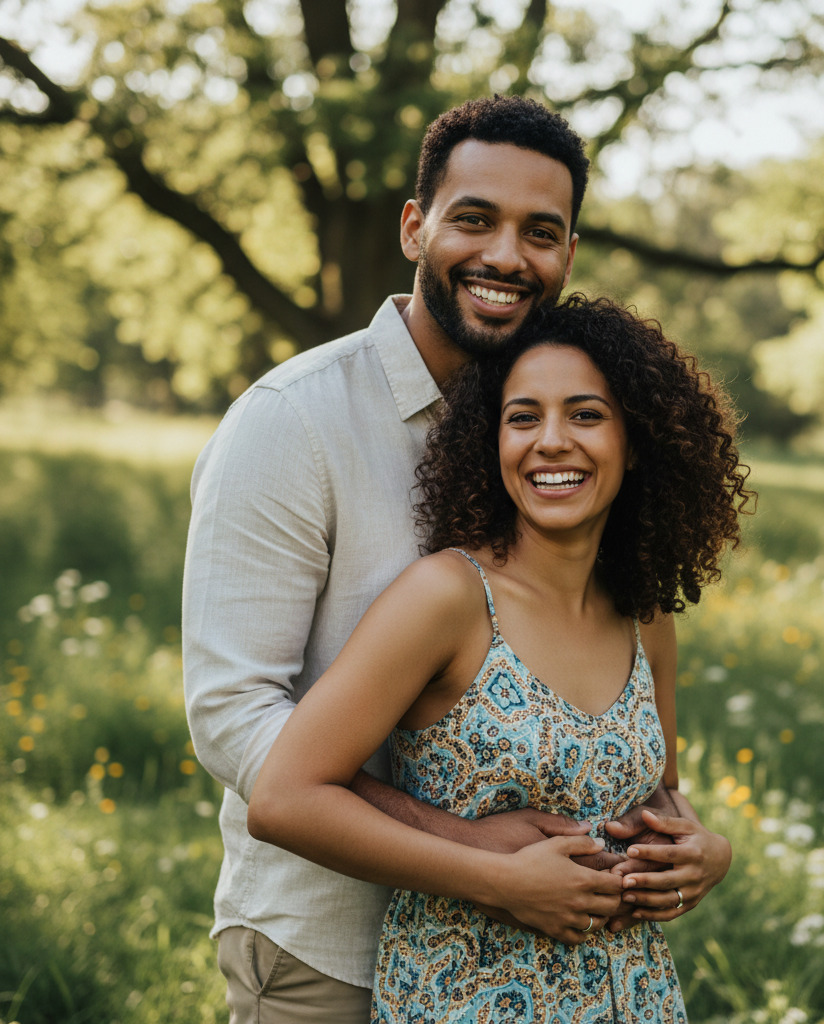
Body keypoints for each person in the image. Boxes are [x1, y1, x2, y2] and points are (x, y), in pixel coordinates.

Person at [183, 96, 731, 1024]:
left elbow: (630, 768)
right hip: (327, 945)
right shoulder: (293, 423)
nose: (507, 257)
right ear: (414, 227)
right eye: (474, 218)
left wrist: (695, 846)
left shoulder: (537, 426)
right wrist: (473, 854)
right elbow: (234, 717)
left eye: (541, 232)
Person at [247, 294, 753, 1022]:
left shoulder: (646, 614)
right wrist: (495, 879)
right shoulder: (447, 598)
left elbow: (658, 794)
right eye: (524, 418)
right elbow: (285, 799)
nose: (551, 441)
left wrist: (706, 852)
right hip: (467, 995)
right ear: (494, 441)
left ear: (635, 441)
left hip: (631, 995)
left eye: (585, 415)